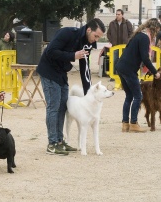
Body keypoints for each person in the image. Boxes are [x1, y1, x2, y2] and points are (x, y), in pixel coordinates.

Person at [36, 18, 106, 155]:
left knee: (63, 106)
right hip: (48, 71)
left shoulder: (88, 44)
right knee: (53, 106)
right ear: (89, 30)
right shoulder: (67, 33)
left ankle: (60, 141)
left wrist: (89, 93)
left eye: (99, 37)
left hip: (62, 73)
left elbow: (84, 67)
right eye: (95, 36)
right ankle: (52, 143)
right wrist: (73, 55)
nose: (96, 39)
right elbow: (50, 51)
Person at [115, 18, 161, 133]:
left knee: (129, 96)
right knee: (138, 96)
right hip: (129, 69)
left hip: (121, 67)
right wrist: (155, 72)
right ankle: (134, 123)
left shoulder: (139, 35)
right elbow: (145, 58)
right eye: (157, 31)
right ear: (155, 29)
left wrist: (149, 70)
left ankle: (125, 124)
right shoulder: (145, 38)